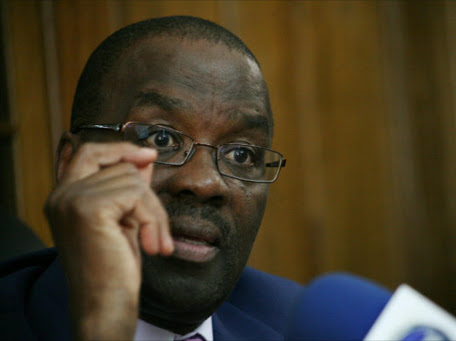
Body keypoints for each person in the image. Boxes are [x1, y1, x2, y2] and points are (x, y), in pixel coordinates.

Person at [0, 16, 302, 340]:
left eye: (241, 155)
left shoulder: (306, 327)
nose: (204, 183)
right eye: (160, 138)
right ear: (71, 164)